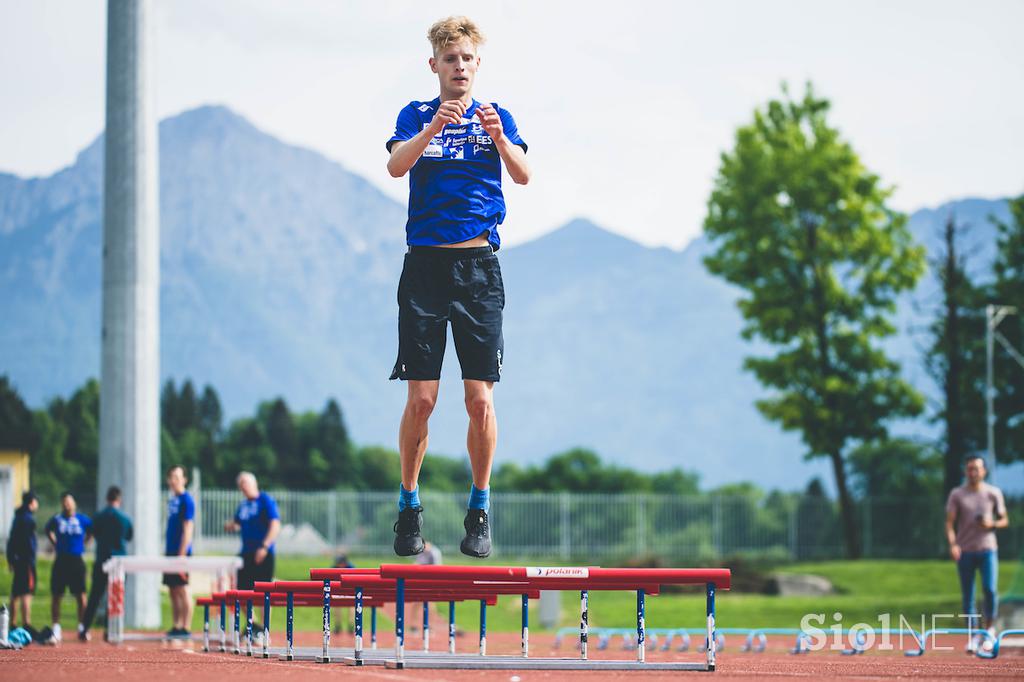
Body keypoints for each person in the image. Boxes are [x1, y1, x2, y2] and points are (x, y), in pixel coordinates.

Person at [385, 15, 530, 559]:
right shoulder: (415, 114)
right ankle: (409, 505)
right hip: (425, 268)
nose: (460, 67)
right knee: (422, 400)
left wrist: (497, 137)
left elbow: (523, 173)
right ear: (435, 66)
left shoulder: (498, 116)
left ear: (477, 64)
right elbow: (396, 167)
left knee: (479, 402)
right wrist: (431, 131)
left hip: (478, 271)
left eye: (468, 59)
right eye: (451, 59)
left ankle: (480, 505)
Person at [945, 455, 1009, 652]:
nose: (973, 473)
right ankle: (973, 635)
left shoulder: (993, 493)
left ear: (984, 471)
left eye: (977, 469)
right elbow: (949, 522)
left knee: (990, 589)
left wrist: (992, 524)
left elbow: (1004, 519)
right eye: (970, 469)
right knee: (968, 596)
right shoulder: (957, 494)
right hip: (965, 551)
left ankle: (989, 630)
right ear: (966, 471)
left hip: (988, 549)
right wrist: (953, 544)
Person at [81, 485, 134, 640]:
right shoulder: (124, 518)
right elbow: (129, 536)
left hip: (102, 561)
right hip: (119, 562)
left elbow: (92, 534)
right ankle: (110, 629)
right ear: (119, 499)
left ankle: (85, 628)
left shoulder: (98, 516)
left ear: (107, 499)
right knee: (116, 597)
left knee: (95, 596)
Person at [44, 491, 92, 643]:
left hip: (76, 560)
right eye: (64, 502)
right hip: (61, 560)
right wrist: (54, 542)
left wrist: (85, 543)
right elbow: (48, 530)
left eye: (69, 501)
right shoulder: (57, 519)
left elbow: (92, 531)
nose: (67, 504)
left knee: (81, 596)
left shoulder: (82, 519)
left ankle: (82, 627)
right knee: (57, 595)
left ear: (74, 503)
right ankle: (56, 627)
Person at [224, 472, 280, 589]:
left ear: (254, 483)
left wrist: (264, 546)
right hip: (246, 551)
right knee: (242, 591)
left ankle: (263, 608)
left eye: (245, 483)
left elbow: (275, 524)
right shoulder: (243, 505)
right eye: (240, 484)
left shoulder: (265, 500)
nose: (243, 487)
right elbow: (238, 523)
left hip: (263, 551)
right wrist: (231, 526)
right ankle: (250, 609)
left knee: (264, 593)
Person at [164, 465, 195, 638]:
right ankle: (176, 625)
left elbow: (188, 527)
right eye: (171, 477)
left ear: (184, 479)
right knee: (172, 589)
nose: (173, 480)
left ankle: (186, 626)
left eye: (177, 477)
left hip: (181, 552)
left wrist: (182, 553)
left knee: (182, 588)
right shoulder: (172, 500)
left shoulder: (186, 500)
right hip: (170, 550)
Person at [6, 491, 39, 631]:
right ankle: (26, 624)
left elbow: (11, 540)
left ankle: (12, 624)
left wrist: (10, 558)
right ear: (32, 502)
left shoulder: (17, 517)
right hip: (26, 561)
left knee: (15, 592)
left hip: (17, 559)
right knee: (26, 592)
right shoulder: (28, 519)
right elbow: (27, 542)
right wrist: (30, 557)